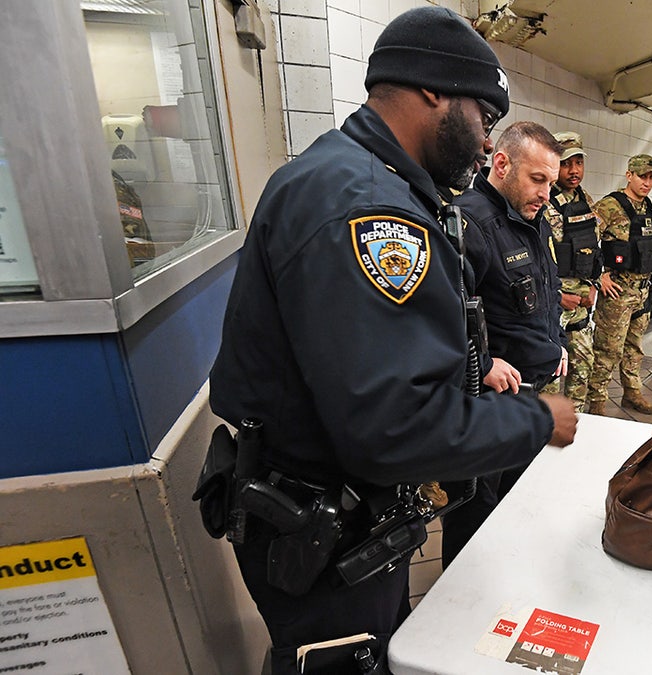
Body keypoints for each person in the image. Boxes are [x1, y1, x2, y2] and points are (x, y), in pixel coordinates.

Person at [207, 8, 577, 673]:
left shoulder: (359, 179)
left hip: (329, 516)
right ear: (434, 90)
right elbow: (395, 426)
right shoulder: (368, 208)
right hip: (322, 530)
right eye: (483, 118)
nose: (483, 140)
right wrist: (536, 418)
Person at [439, 121, 567, 567]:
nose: (546, 193)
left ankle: (502, 595)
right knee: (473, 520)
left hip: (527, 398)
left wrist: (560, 344)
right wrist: (483, 361)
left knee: (516, 505)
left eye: (551, 182)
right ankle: (459, 610)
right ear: (501, 164)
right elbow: (440, 315)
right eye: (538, 179)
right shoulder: (468, 223)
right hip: (485, 406)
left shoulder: (533, 222)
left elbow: (546, 294)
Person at [586, 154, 652, 416]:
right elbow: (586, 241)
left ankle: (632, 393)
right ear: (629, 175)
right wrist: (600, 276)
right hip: (618, 292)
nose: (647, 182)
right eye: (643, 176)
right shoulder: (609, 205)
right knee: (608, 349)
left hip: (642, 291)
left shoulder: (647, 208)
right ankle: (596, 401)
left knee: (634, 347)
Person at [540, 131, 602, 411]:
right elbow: (539, 258)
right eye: (567, 163)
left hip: (582, 303)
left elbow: (593, 247)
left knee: (583, 366)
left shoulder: (585, 199)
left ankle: (577, 421)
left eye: (578, 162)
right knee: (551, 373)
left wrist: (593, 286)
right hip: (556, 304)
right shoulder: (543, 201)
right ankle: (546, 430)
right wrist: (557, 296)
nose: (574, 170)